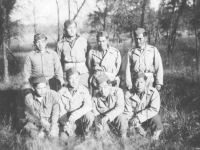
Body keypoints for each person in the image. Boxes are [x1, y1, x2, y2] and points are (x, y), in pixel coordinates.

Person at [124, 72, 163, 141]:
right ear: (133, 83)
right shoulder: (128, 94)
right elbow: (128, 113)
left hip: (147, 118)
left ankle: (155, 136)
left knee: (156, 118)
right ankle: (138, 134)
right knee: (132, 133)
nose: (139, 85)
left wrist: (138, 117)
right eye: (136, 82)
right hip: (134, 121)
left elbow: (154, 109)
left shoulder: (153, 92)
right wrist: (137, 125)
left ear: (146, 82)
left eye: (141, 82)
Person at [58, 68, 94, 139]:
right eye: (71, 78)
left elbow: (88, 105)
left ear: (79, 78)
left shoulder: (84, 90)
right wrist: (67, 124)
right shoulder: (61, 93)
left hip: (80, 118)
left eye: (76, 78)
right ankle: (72, 136)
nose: (74, 81)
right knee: (64, 138)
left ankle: (87, 135)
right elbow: (61, 111)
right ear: (67, 80)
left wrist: (75, 114)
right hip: (68, 120)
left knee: (90, 115)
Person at [57, 20, 91, 87]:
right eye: (69, 28)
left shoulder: (84, 41)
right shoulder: (60, 43)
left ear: (76, 28)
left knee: (83, 92)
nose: (72, 30)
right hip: (67, 73)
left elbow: (89, 57)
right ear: (65, 29)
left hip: (82, 73)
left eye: (74, 27)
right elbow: (58, 62)